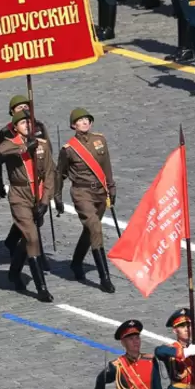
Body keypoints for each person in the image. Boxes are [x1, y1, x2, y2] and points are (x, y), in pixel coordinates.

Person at [54, 108, 116, 293]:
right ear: (73, 125)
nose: (85, 122)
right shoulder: (69, 150)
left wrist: (111, 188)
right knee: (95, 227)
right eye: (80, 120)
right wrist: (57, 197)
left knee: (90, 231)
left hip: (100, 193)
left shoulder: (100, 140)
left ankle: (76, 262)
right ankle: (104, 277)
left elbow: (107, 166)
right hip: (82, 193)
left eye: (87, 119)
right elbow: (60, 173)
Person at [0, 112, 55, 303]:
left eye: (29, 122)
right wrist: (23, 148)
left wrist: (45, 201)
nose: (27, 125)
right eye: (22, 122)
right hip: (19, 195)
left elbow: (49, 174)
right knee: (32, 236)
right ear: (15, 127)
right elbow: (0, 152)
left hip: (36, 194)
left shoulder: (42, 145)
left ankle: (14, 272)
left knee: (26, 238)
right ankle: (42, 288)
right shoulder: (10, 144)